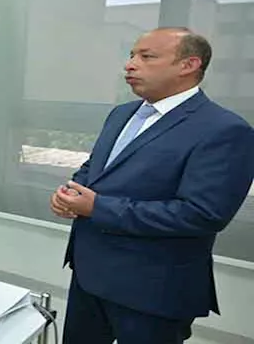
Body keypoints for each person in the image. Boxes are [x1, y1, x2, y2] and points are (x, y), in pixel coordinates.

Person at [50, 27, 254, 344]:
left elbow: (202, 214)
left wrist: (97, 208)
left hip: (153, 290)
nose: (130, 64)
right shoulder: (122, 114)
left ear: (188, 65)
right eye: (132, 55)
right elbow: (96, 168)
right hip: (89, 275)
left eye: (147, 57)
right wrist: (71, 193)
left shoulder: (224, 130)